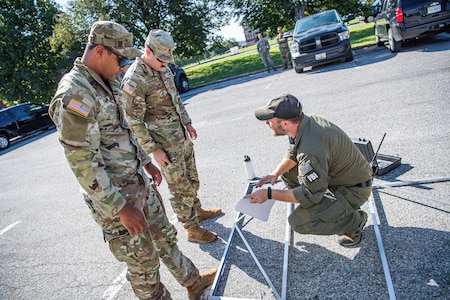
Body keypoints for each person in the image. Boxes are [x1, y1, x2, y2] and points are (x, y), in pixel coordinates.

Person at [49, 20, 216, 300]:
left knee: (165, 237)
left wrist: (146, 161)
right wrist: (121, 208)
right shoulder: (75, 95)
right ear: (100, 51)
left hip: (137, 182)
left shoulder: (106, 81)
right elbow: (83, 164)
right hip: (116, 200)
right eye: (121, 57)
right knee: (143, 266)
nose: (124, 65)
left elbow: (124, 128)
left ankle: (193, 282)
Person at [120, 29, 221, 244]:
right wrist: (153, 150)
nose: (166, 64)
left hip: (181, 136)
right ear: (148, 51)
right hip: (164, 145)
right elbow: (133, 120)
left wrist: (187, 122)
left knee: (192, 179)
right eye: (161, 59)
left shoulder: (163, 68)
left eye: (168, 59)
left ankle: (196, 210)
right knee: (179, 187)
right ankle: (192, 229)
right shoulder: (135, 79)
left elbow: (176, 99)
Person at [244, 94, 373, 247]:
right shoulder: (304, 122)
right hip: (341, 177)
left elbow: (309, 193)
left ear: (285, 124)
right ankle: (324, 208)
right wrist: (275, 173)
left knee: (298, 222)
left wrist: (269, 194)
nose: (267, 123)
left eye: (270, 120)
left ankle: (353, 222)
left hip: (355, 189)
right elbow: (293, 151)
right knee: (287, 172)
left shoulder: (310, 151)